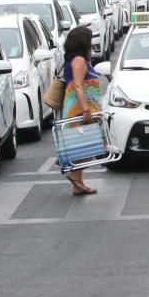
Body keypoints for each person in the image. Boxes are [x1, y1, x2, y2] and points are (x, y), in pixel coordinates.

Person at [60, 27, 101, 195]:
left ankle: (78, 184)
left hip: (78, 108)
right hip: (79, 109)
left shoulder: (77, 60)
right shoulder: (79, 61)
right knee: (91, 145)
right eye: (89, 40)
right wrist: (85, 109)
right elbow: (77, 86)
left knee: (82, 145)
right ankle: (75, 175)